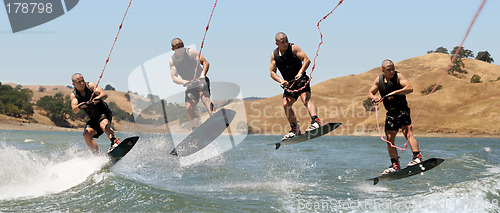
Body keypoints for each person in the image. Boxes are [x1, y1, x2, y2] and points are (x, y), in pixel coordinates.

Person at [368, 59, 422, 174]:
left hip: (402, 110)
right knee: (389, 139)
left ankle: (417, 157)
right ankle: (395, 165)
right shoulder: (379, 80)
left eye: (393, 68)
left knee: (407, 133)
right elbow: (370, 93)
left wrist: (396, 92)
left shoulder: (398, 76)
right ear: (383, 70)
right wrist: (374, 98)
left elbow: (409, 88)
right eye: (389, 70)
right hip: (391, 113)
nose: (392, 71)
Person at [269, 32, 321, 141]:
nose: (286, 43)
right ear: (277, 43)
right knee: (285, 104)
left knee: (305, 98)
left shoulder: (293, 48)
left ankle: (316, 122)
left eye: (286, 40)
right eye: (282, 42)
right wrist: (281, 81)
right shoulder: (274, 55)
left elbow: (307, 60)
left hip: (301, 79)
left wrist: (301, 72)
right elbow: (272, 72)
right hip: (289, 84)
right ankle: (295, 129)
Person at [169, 38, 215, 130]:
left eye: (182, 46)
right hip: (190, 85)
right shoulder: (172, 61)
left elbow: (206, 63)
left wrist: (203, 74)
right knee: (189, 107)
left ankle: (213, 115)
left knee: (205, 98)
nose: (181, 49)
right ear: (173, 49)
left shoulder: (190, 52)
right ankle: (195, 129)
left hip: (201, 80)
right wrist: (184, 82)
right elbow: (174, 77)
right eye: (178, 47)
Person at [70, 73, 119, 154]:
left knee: (103, 124)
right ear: (73, 84)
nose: (82, 83)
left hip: (104, 113)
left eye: (83, 81)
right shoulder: (74, 95)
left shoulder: (90, 86)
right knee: (86, 134)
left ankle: (115, 142)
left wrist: (98, 98)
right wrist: (80, 105)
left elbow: (104, 95)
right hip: (94, 119)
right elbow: (74, 109)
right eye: (79, 82)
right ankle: (97, 155)